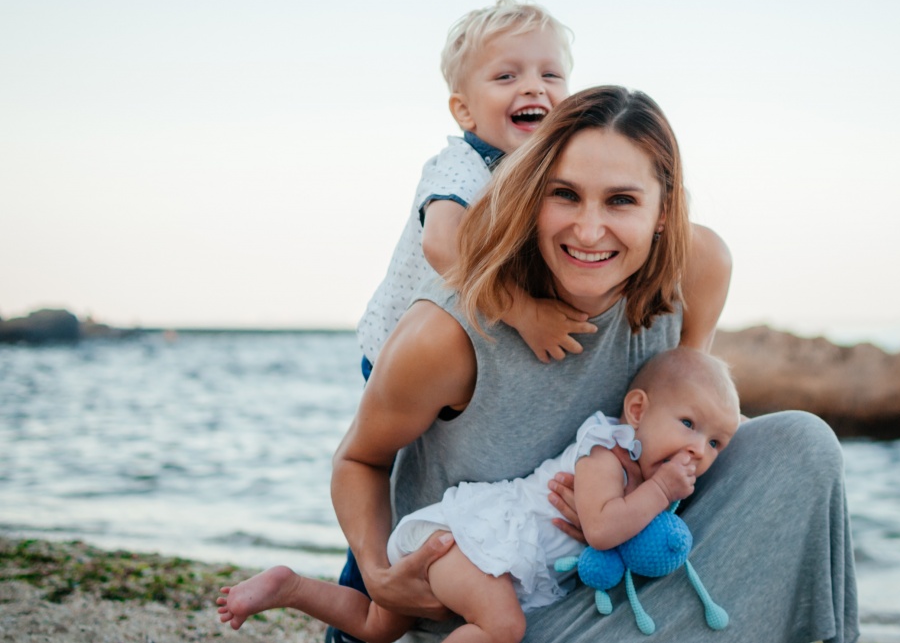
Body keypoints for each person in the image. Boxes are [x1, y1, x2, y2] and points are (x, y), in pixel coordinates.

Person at [334, 85, 858, 642]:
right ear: (533, 195)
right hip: (497, 619)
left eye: (621, 201)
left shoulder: (697, 268)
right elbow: (359, 459)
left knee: (804, 444)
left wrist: (621, 513)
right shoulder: (446, 333)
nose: (587, 231)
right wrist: (379, 575)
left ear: (664, 210)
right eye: (565, 195)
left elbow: (686, 422)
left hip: (614, 573)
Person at [216, 347, 741, 642]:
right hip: (474, 542)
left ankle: (289, 587)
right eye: (688, 424)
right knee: (503, 628)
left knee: (378, 626)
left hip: (477, 552)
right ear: (637, 410)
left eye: (715, 442)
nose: (698, 449)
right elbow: (603, 529)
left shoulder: (641, 472)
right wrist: (661, 489)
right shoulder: (608, 452)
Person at [356, 0, 597, 381]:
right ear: (465, 111)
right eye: (506, 77)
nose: (533, 87)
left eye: (550, 75)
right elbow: (442, 244)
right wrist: (525, 314)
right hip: (401, 347)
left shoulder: (548, 168)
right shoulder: (461, 165)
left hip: (470, 335)